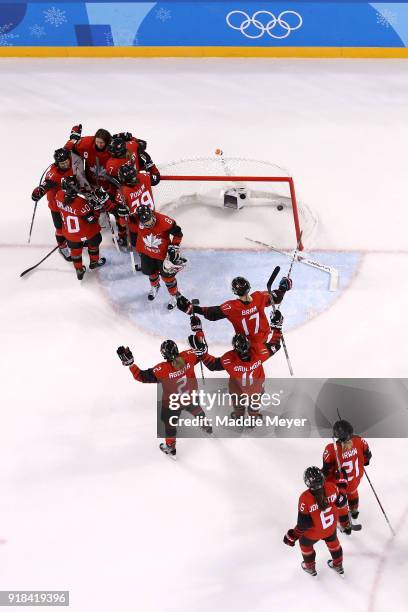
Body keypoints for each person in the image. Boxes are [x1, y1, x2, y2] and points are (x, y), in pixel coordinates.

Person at [117, 340, 212, 458]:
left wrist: (131, 364)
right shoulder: (189, 355)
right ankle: (207, 427)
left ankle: (171, 447)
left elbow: (140, 376)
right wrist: (200, 344)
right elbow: (200, 354)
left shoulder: (162, 369)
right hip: (191, 395)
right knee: (196, 408)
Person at [188, 312, 282, 422]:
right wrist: (277, 327)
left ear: (235, 348)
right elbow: (276, 344)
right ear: (248, 344)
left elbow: (212, 365)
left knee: (238, 404)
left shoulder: (229, 360)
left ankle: (238, 417)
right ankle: (253, 420)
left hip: (237, 389)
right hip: (256, 388)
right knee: (255, 404)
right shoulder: (260, 352)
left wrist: (202, 353)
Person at [177, 276, 292, 344]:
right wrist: (283, 287)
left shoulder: (231, 307)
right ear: (249, 287)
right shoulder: (259, 297)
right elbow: (277, 297)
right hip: (264, 339)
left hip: (247, 345)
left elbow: (212, 314)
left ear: (235, 292)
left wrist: (192, 309)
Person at [283, 466, 350, 576]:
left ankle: (310, 567)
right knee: (333, 542)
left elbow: (304, 524)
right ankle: (338, 564)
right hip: (331, 528)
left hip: (315, 532)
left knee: (304, 543)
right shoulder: (332, 487)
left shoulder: (305, 498)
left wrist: (292, 536)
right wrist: (342, 484)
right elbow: (341, 502)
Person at [129, 203, 186, 309]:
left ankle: (174, 296)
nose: (149, 224)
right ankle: (155, 286)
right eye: (145, 223)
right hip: (146, 253)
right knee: (151, 273)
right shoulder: (135, 219)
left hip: (162, 256)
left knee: (168, 278)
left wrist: (174, 247)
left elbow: (178, 233)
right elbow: (125, 224)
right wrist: (120, 213)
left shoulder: (164, 221)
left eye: (150, 220)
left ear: (152, 214)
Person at [54, 175, 110, 280]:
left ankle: (79, 269)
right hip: (87, 232)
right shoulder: (80, 202)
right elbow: (92, 219)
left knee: (75, 251)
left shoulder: (58, 195)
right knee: (93, 245)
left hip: (70, 235)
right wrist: (97, 208)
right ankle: (94, 262)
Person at [322, 420, 372, 520]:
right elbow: (367, 458)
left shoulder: (331, 449)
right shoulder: (359, 440)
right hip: (356, 480)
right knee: (352, 491)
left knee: (341, 502)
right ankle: (354, 511)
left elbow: (326, 471)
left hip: (341, 485)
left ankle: (346, 526)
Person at [31, 148, 74, 261]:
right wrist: (40, 190)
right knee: (60, 229)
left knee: (70, 226)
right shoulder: (53, 175)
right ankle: (62, 247)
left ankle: (71, 241)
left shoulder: (71, 164)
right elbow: (46, 184)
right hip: (56, 206)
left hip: (69, 205)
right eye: (62, 163)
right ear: (57, 163)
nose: (65, 164)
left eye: (66, 162)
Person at [114, 163, 155, 250]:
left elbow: (123, 223)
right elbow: (155, 179)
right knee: (155, 243)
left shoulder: (122, 192)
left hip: (136, 227)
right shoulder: (144, 176)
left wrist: (121, 215)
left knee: (141, 246)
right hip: (152, 218)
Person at [64, 124, 112, 188]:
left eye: (102, 143)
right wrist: (67, 147)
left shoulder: (113, 148)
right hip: (90, 183)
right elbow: (71, 145)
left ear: (107, 142)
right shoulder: (86, 143)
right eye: (97, 142)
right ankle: (82, 185)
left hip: (108, 185)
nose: (99, 145)